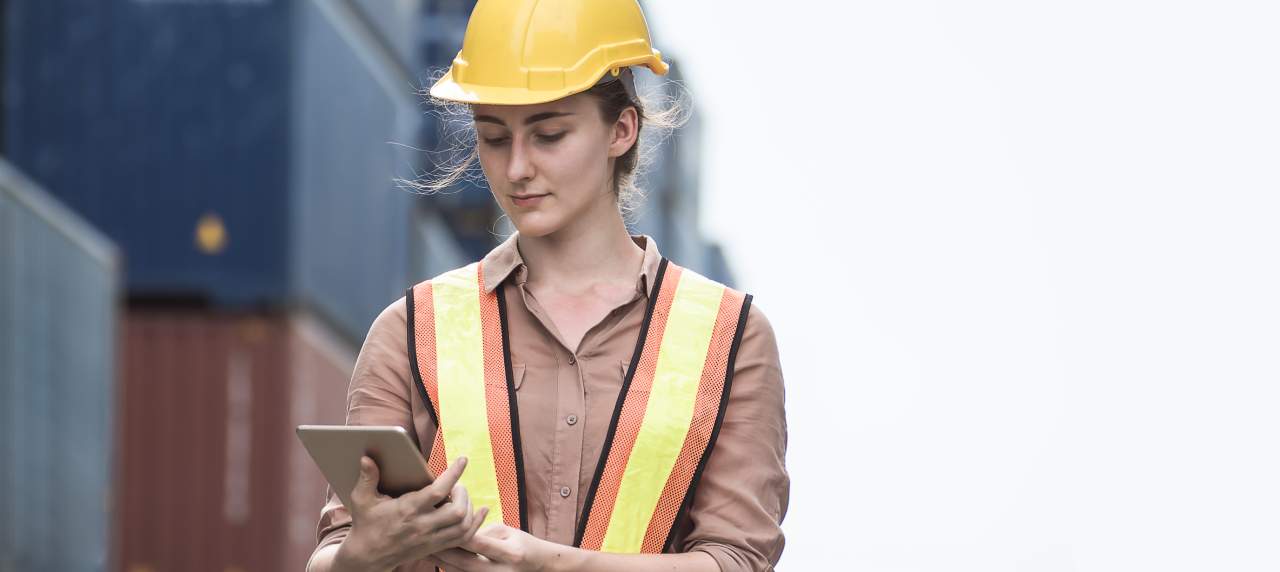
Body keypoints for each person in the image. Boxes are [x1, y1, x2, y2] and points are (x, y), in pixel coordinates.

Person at [306, 1, 788, 570]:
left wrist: (551, 563)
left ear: (622, 130)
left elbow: (738, 561)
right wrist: (361, 554)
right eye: (493, 137)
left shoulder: (729, 338)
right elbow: (331, 553)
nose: (515, 169)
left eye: (549, 135)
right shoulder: (412, 330)